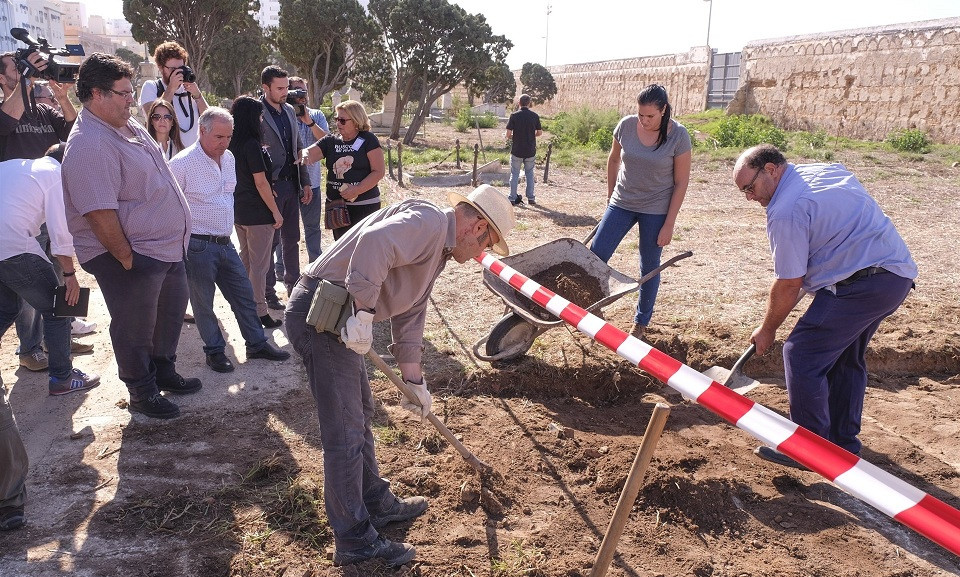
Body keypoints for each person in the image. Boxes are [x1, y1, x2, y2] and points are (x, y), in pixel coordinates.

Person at [284, 184, 515, 567]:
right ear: (477, 227)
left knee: (361, 410)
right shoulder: (427, 222)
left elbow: (411, 313)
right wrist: (362, 311)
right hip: (321, 316)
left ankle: (374, 499)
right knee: (345, 433)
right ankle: (354, 541)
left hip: (341, 316)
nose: (484, 253)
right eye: (488, 243)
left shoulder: (438, 250)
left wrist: (415, 380)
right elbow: (374, 244)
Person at [733, 145, 917, 469]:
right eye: (743, 191)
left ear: (772, 169)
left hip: (860, 283)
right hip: (894, 276)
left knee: (801, 353)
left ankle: (809, 448)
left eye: (750, 187)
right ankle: (843, 446)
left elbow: (790, 282)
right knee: (845, 358)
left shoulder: (785, 209)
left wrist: (768, 330)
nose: (749, 196)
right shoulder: (822, 171)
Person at [62, 53, 201, 420]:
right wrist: (127, 258)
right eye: (123, 93)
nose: (131, 100)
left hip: (165, 248)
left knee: (168, 315)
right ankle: (142, 391)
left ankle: (163, 371)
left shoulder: (127, 125)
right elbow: (99, 214)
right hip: (131, 253)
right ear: (97, 94)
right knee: (135, 323)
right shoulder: (89, 144)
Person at [170, 107, 291, 373]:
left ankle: (256, 344)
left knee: (244, 295)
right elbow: (169, 206)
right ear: (202, 131)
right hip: (198, 245)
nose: (224, 143)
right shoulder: (181, 164)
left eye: (228, 137)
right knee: (203, 303)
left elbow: (228, 194)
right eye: (219, 137)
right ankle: (214, 352)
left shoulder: (229, 158)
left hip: (226, 241)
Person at [1, 49, 87, 370]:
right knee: (29, 289)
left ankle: (59, 339)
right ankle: (30, 349)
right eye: (17, 68)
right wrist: (25, 81)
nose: (27, 72)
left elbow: (73, 134)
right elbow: (6, 120)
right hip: (19, 216)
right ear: (1, 77)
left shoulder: (42, 110)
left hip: (48, 202)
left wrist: (63, 98)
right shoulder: (4, 111)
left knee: (52, 275)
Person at [589, 84, 691, 340]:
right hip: (622, 202)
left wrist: (669, 224)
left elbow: (681, 182)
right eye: (641, 115)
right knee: (595, 257)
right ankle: (593, 308)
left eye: (650, 116)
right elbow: (614, 160)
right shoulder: (625, 126)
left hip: (655, 210)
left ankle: (640, 323)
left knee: (649, 267)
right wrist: (610, 195)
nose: (644, 121)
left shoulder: (679, 136)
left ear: (663, 110)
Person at [0, 144, 99, 395]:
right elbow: (60, 233)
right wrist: (69, 275)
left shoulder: (16, 167)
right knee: (58, 308)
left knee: (7, 308)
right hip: (12, 244)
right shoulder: (55, 175)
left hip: (7, 244)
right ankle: (62, 378)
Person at [230, 96, 284, 329]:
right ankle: (260, 312)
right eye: (260, 115)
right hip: (258, 213)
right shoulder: (252, 145)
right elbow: (261, 183)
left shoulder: (231, 144)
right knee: (260, 267)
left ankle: (245, 308)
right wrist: (276, 212)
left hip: (239, 211)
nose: (262, 120)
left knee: (248, 264)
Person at [259, 65, 312, 296]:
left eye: (286, 87)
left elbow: (298, 147)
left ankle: (293, 287)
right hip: (270, 187)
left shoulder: (290, 110)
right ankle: (268, 291)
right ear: (265, 87)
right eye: (279, 88)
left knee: (292, 239)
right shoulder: (255, 111)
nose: (284, 92)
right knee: (269, 243)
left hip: (292, 184)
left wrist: (306, 181)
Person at [300, 99, 384, 241]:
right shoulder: (331, 141)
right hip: (337, 206)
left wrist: (357, 189)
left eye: (343, 120)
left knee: (364, 248)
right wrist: (304, 154)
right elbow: (309, 153)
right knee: (341, 249)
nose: (338, 123)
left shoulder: (368, 140)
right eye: (336, 119)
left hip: (364, 205)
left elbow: (379, 171)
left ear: (356, 120)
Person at [289, 75, 328, 262]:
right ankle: (282, 268)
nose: (301, 95)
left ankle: (315, 264)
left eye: (303, 90)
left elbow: (327, 142)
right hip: (288, 182)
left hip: (311, 181)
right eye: (296, 91)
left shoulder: (317, 115)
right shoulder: (282, 115)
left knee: (312, 227)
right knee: (286, 229)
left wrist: (309, 122)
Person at [138, 41, 207, 147]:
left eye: (181, 68)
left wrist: (197, 95)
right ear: (161, 68)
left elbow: (209, 119)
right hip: (167, 157)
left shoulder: (189, 89)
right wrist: (171, 88)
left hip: (193, 158)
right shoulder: (151, 87)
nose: (178, 73)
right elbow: (152, 116)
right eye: (173, 69)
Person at [505, 93, 543, 206]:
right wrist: (531, 135)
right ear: (529, 103)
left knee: (515, 174)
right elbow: (539, 133)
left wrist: (515, 136)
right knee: (530, 174)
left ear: (519, 103)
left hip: (517, 150)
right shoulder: (535, 116)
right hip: (530, 150)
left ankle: (512, 197)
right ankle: (531, 198)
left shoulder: (514, 116)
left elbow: (508, 134)